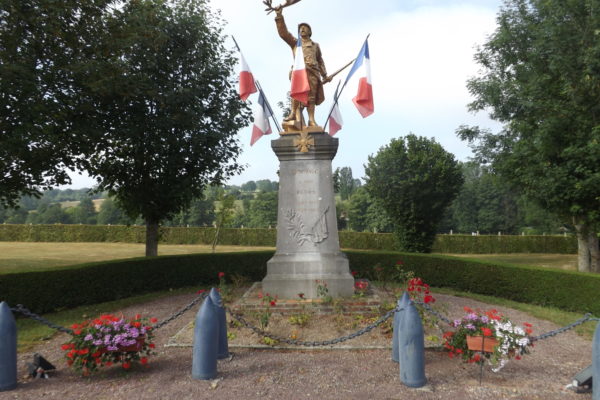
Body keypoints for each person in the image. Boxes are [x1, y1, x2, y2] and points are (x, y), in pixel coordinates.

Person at [275, 7, 330, 127]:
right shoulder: (295, 43)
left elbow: (320, 60)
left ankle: (311, 119)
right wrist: (279, 16)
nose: (302, 29)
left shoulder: (315, 46)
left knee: (311, 96)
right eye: (301, 28)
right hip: (300, 72)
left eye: (305, 28)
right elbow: (284, 33)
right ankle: (293, 113)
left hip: (313, 72)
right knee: (296, 92)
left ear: (310, 32)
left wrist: (325, 75)